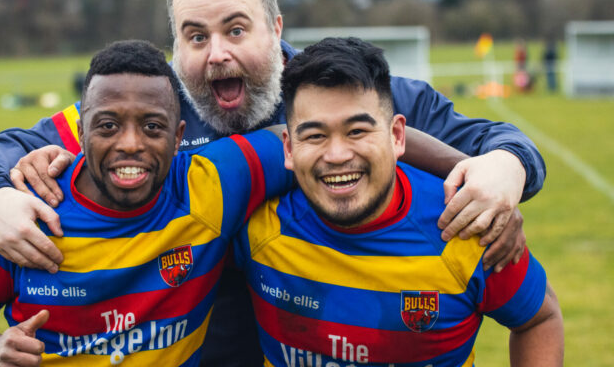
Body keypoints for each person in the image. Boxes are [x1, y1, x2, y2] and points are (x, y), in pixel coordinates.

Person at [0, 0, 545, 366]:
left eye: (236, 30)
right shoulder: (152, 115)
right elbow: (5, 151)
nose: (216, 55)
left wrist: (506, 169)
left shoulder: (350, 95)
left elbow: (498, 143)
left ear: (276, 28)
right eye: (196, 35)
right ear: (176, 45)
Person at [0, 40, 294, 366]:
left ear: (178, 136)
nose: (130, 144)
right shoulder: (35, 206)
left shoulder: (210, 185)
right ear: (79, 132)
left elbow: (305, 141)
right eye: (107, 126)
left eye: (153, 127)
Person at [234, 37, 563, 366]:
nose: (336, 155)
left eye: (358, 131)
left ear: (397, 136)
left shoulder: (462, 225)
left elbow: (539, 318)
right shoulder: (255, 226)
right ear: (289, 148)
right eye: (315, 136)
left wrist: (510, 163)